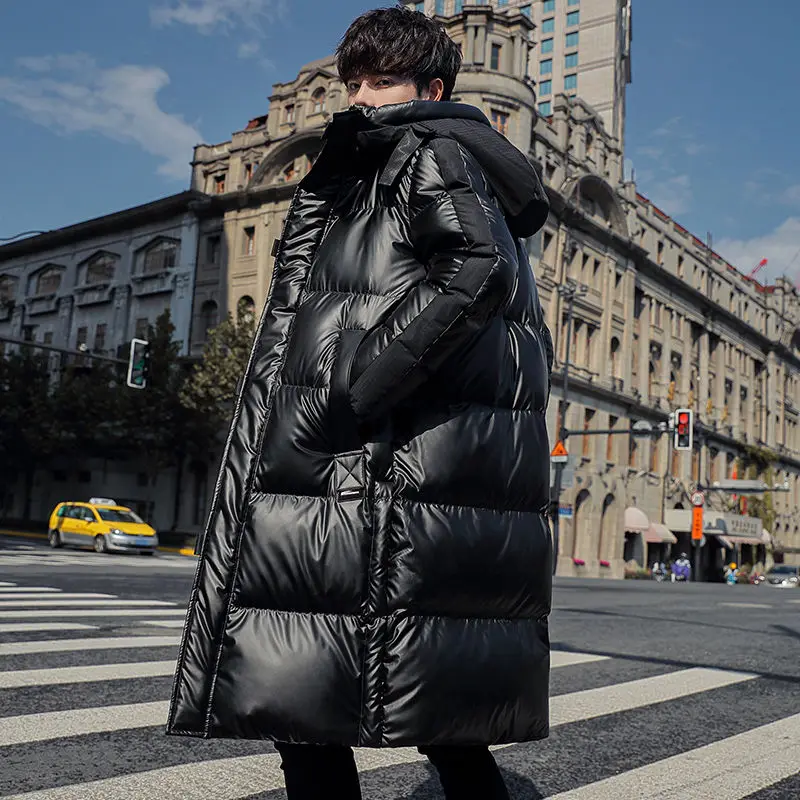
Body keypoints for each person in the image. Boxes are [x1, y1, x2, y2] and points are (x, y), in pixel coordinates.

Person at [167, 7, 553, 799]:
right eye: (353, 83)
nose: (361, 98)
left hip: (370, 469)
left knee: (315, 689)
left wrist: (358, 387)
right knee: (377, 704)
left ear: (432, 88)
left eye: (381, 81)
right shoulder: (380, 164)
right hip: (366, 471)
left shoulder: (429, 149)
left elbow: (476, 270)